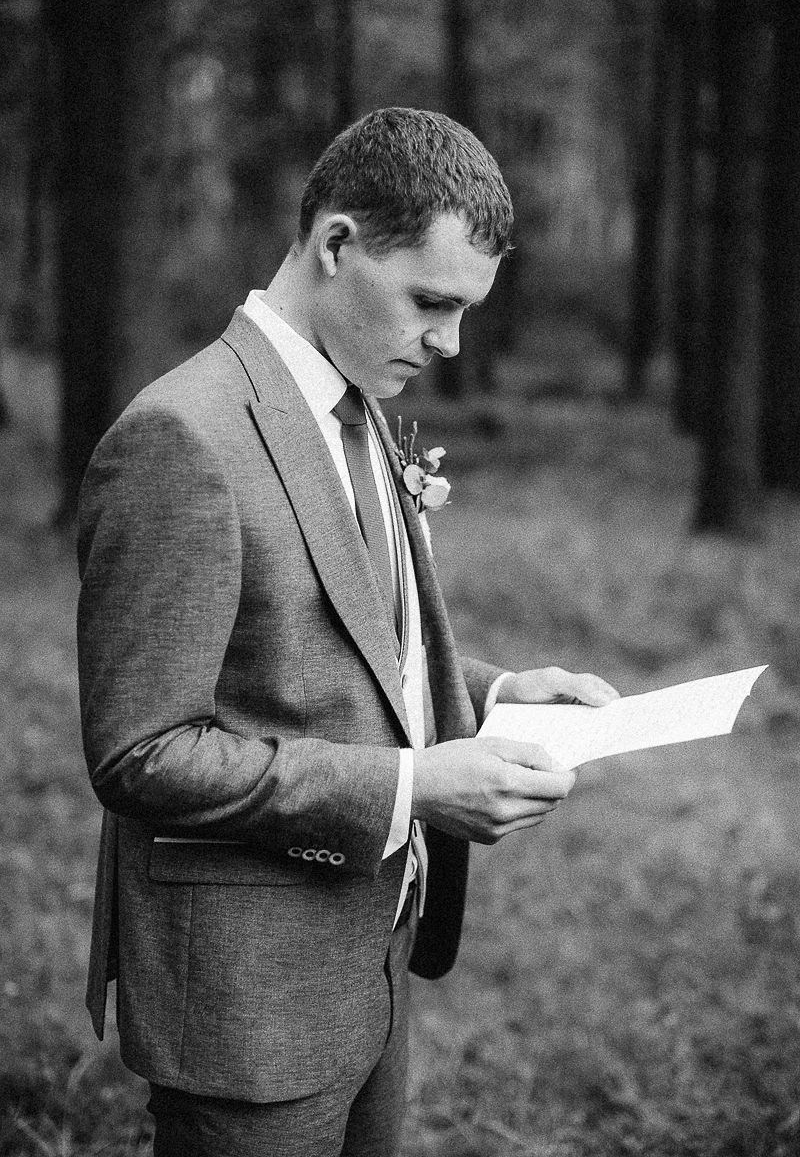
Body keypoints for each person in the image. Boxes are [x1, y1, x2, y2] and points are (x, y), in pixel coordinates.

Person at [76, 107, 617, 1157]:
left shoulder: (356, 401)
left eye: (464, 312)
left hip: (374, 957)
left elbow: (346, 642)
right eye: (431, 302)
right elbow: (141, 751)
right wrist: (414, 789)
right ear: (335, 244)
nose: (449, 343)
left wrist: (494, 695)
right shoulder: (181, 437)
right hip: (248, 1004)